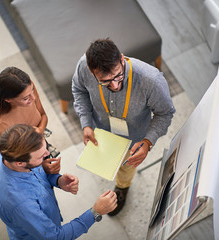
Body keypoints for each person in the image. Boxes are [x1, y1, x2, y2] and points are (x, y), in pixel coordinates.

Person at [72, 38, 175, 216]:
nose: (114, 85)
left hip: (134, 138)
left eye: (118, 76)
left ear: (121, 59)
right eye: (104, 81)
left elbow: (165, 113)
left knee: (126, 167)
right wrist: (86, 123)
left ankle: (123, 187)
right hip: (101, 130)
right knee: (107, 161)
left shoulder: (151, 80)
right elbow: (78, 90)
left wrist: (148, 142)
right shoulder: (83, 66)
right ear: (91, 71)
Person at [0, 124, 118, 239]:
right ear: (20, 163)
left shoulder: (5, 152)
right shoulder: (21, 204)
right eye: (41, 157)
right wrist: (96, 212)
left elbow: (33, 171)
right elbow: (55, 237)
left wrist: (57, 180)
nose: (47, 154)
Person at [0, 67, 60, 174]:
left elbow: (43, 115)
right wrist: (40, 167)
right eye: (26, 98)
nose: (33, 98)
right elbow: (5, 162)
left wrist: (39, 131)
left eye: (32, 91)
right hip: (25, 164)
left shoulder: (28, 88)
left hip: (39, 150)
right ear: (8, 99)